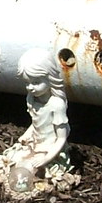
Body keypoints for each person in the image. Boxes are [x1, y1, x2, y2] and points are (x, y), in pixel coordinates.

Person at [13, 47, 69, 176]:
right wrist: (26, 136)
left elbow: (61, 138)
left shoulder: (56, 104)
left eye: (36, 82)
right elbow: (37, 123)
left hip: (51, 147)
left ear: (50, 78)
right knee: (15, 160)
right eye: (27, 83)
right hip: (35, 142)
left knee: (30, 170)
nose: (30, 88)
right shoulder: (31, 98)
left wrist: (46, 158)